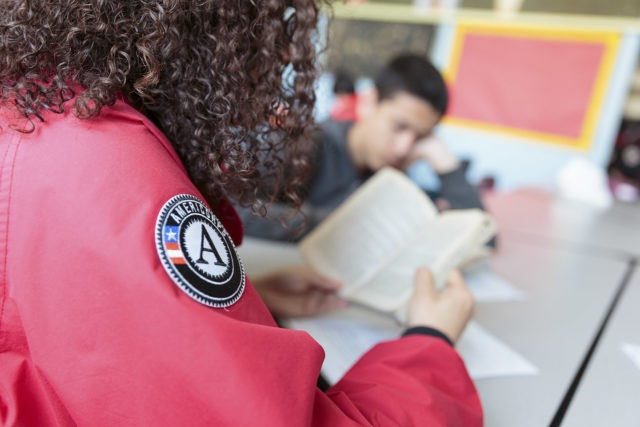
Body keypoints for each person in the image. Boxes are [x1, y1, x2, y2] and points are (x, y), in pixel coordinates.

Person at [0, 2, 482, 426]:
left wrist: (246, 307)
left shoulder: (36, 108)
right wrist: (428, 344)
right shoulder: (114, 169)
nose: (274, 58)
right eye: (275, 22)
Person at [239, 53, 490, 242]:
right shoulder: (302, 145)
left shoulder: (388, 173)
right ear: (369, 102)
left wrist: (445, 164)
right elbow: (234, 213)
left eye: (421, 137)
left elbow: (484, 236)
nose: (404, 148)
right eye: (399, 127)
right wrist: (349, 226)